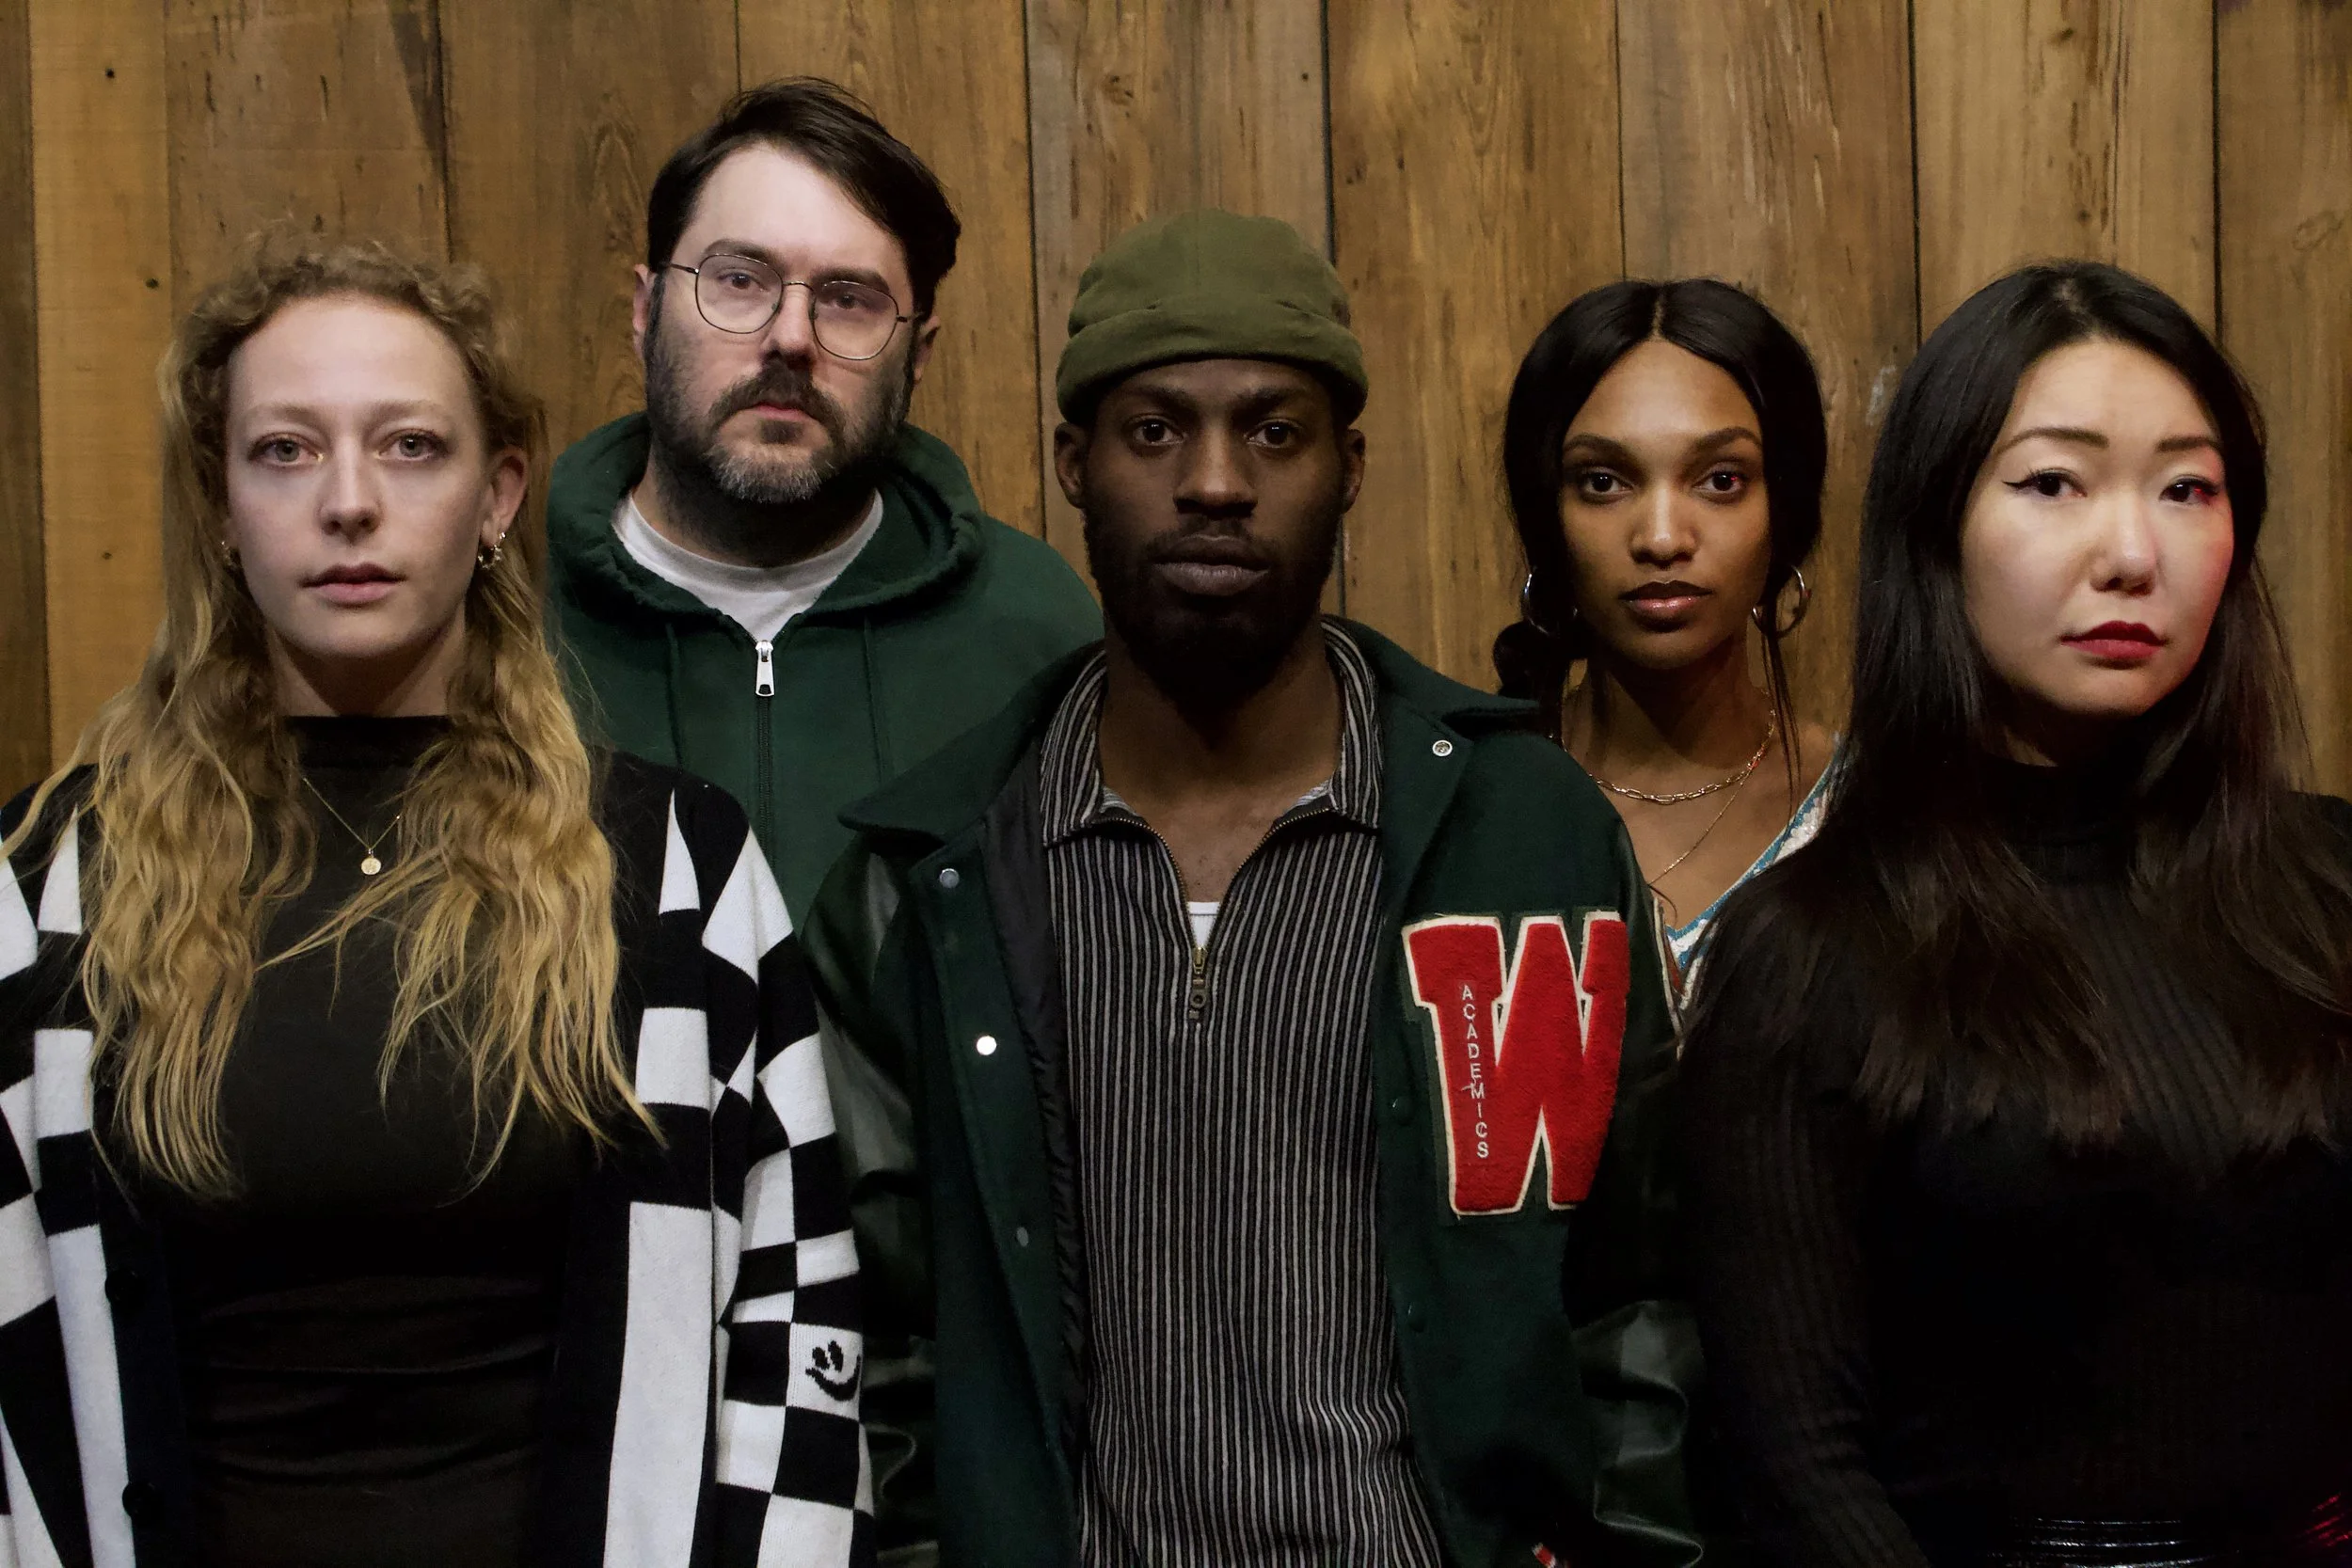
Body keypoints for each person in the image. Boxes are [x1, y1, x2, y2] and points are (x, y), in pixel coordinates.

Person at [803, 209, 1701, 1566]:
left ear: (1350, 468)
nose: (1215, 481)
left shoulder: (1523, 840)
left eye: (1275, 432)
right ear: (1074, 464)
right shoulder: (930, 880)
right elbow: (878, 1338)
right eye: (1154, 430)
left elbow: (1637, 1294)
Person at [0, 241, 869, 1568]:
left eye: (409, 447)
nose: (349, 502)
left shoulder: (672, 870)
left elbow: (794, 1314)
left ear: (497, 494)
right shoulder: (57, 883)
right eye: (284, 450)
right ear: (221, 504)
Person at [1679, 261, 2352, 1567]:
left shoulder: (2329, 885)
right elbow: (1798, 1462)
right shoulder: (1811, 951)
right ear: (1936, 526)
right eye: (2054, 483)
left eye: (2187, 488)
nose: (2132, 552)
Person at [547, 77, 1100, 919]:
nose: (791, 338)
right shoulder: (501, 614)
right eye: (740, 279)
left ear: (918, 355)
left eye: (848, 300)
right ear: (646, 309)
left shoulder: (1033, 630)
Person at [1494, 279, 1835, 990]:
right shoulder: (1472, 804)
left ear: (1786, 510)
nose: (1660, 538)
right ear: (1546, 515)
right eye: (1602, 482)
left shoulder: (1869, 814)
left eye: (1720, 480)